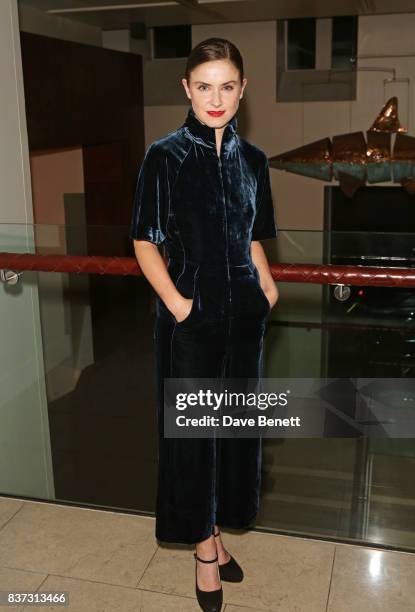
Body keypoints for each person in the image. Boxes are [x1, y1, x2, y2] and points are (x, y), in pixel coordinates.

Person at [130, 37, 278, 612]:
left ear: (243, 90)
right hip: (189, 319)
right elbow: (144, 242)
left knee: (234, 432)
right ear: (186, 89)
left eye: (227, 86)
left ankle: (217, 529)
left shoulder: (255, 160)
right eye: (204, 86)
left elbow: (251, 236)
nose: (215, 98)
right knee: (192, 440)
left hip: (244, 314)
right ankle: (204, 552)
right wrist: (179, 305)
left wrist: (267, 287)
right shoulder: (164, 156)